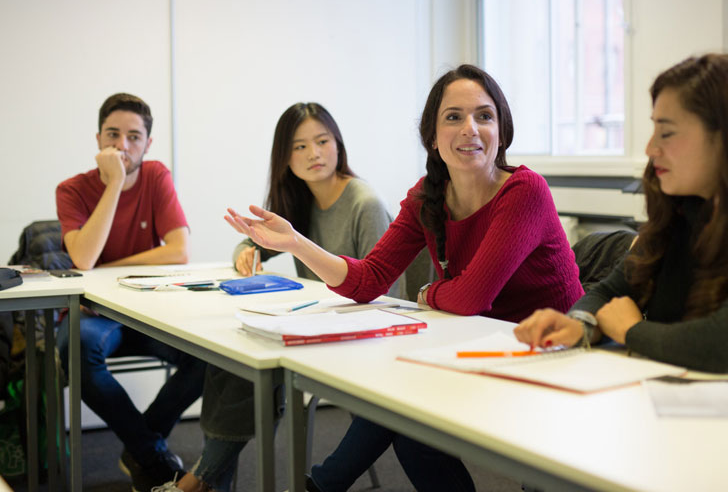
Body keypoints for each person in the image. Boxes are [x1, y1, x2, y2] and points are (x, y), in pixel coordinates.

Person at [226, 65, 584, 492]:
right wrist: (297, 244)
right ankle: (320, 487)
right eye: (453, 117)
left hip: (552, 354)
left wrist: (427, 291)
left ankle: (319, 487)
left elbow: (472, 296)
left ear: (502, 132)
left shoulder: (524, 191)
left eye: (484, 116)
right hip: (484, 344)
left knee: (403, 403)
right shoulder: (426, 197)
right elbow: (368, 279)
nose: (470, 128)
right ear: (432, 136)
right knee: (405, 415)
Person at [156, 102, 404, 492]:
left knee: (250, 360)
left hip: (367, 334)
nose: (314, 154)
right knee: (232, 352)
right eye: (299, 147)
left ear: (338, 144)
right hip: (324, 325)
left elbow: (385, 294)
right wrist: (246, 252)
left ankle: (198, 482)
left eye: (322, 141)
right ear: (285, 158)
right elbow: (254, 240)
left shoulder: (364, 203)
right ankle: (206, 481)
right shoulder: (299, 201)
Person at [514, 53, 728, 375]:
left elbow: (727, 346)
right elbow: (609, 292)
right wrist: (581, 325)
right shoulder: (683, 208)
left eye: (666, 133)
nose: (650, 148)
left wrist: (631, 331)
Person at [55, 93, 205, 492]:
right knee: (76, 349)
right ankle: (154, 455)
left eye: (134, 137)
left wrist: (106, 269)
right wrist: (115, 184)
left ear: (148, 144)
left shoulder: (156, 176)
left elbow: (179, 250)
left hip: (145, 310)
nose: (123, 146)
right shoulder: (71, 190)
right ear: (98, 139)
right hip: (92, 314)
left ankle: (142, 448)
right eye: (113, 135)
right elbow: (84, 258)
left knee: (212, 355)